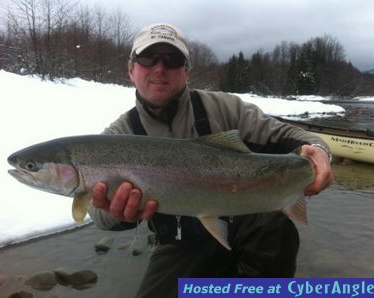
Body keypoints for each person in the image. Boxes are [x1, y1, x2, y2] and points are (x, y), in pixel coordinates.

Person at [88, 23, 333, 297]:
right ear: (131, 69)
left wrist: (318, 150)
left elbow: (293, 136)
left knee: (270, 221)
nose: (160, 68)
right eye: (148, 59)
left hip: (247, 227)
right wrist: (116, 214)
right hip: (181, 244)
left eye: (172, 59)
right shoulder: (119, 136)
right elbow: (95, 212)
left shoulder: (223, 108)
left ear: (187, 71)